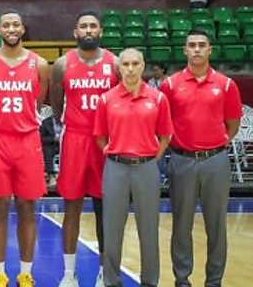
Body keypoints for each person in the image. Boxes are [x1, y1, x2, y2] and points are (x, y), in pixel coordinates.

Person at [160, 29, 242, 287]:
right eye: (192, 45)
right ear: (184, 50)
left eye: (201, 45)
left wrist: (214, 145)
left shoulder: (227, 85)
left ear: (210, 50)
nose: (197, 49)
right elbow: (163, 124)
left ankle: (214, 281)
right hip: (181, 160)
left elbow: (233, 125)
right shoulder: (170, 85)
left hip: (215, 161)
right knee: (181, 225)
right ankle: (182, 280)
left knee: (216, 225)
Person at [0, 11, 50, 287]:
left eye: (16, 24)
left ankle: (26, 272)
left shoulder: (39, 64)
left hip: (27, 138)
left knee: (27, 207)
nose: (11, 28)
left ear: (23, 29)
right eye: (6, 24)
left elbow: (39, 104)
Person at [94, 48, 173, 287]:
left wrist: (150, 158)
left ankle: (150, 282)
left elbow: (165, 135)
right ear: (119, 68)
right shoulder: (106, 99)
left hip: (146, 168)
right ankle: (111, 281)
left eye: (135, 63)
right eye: (125, 64)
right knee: (112, 229)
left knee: (149, 229)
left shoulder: (158, 98)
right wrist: (113, 152)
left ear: (142, 66)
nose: (130, 68)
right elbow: (99, 136)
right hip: (116, 167)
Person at [50, 13, 119, 287]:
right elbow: (56, 105)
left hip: (106, 141)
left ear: (100, 30)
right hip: (75, 139)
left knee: (107, 210)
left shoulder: (114, 63)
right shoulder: (62, 64)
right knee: (72, 208)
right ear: (75, 32)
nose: (88, 30)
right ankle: (69, 274)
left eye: (93, 26)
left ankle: (105, 272)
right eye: (83, 26)